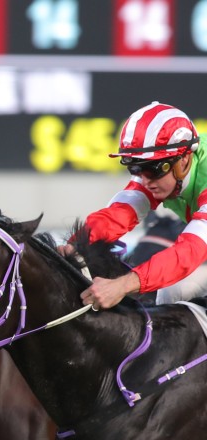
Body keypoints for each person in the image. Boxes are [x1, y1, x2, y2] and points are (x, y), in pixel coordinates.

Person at [78, 102, 207, 311]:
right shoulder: (169, 164)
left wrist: (122, 285)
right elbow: (119, 213)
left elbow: (189, 252)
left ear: (184, 160)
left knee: (174, 291)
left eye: (153, 170)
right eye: (135, 169)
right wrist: (75, 245)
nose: (145, 181)